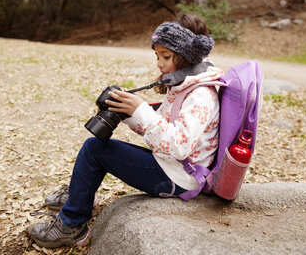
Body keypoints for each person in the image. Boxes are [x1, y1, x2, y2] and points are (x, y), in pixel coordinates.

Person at [25, 14, 224, 248]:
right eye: (157, 56)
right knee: (97, 150)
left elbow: (179, 146)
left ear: (186, 57)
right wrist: (127, 114)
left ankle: (71, 226)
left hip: (179, 176)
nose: (159, 63)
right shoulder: (187, 83)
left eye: (166, 56)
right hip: (172, 165)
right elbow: (162, 131)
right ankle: (79, 197)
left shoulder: (201, 95)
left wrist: (141, 111)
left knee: (94, 150)